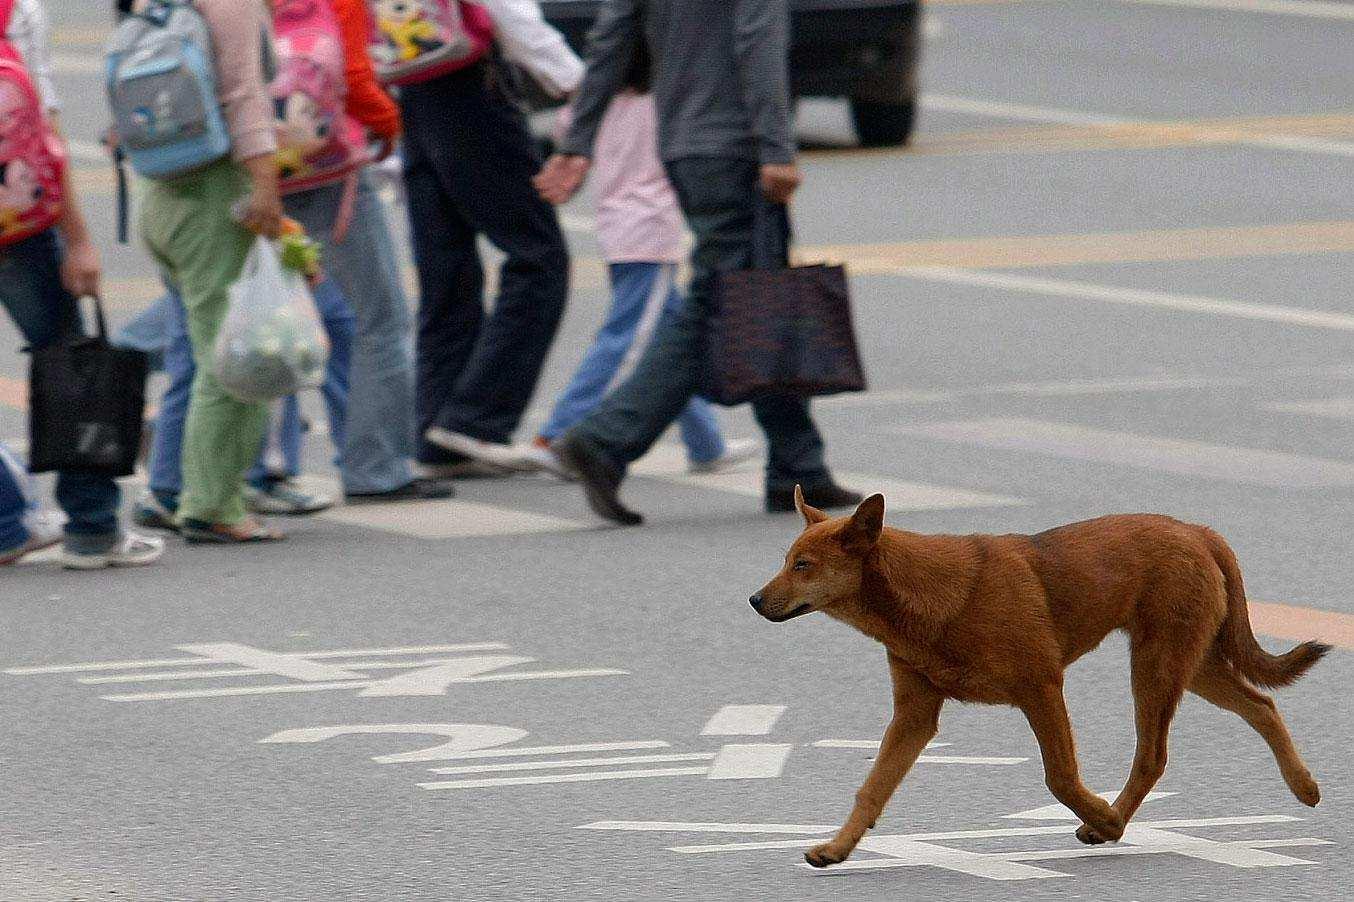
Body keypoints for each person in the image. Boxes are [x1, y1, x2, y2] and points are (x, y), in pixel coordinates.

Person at [530, 0, 860, 525]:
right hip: (737, 145)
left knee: (764, 301)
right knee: (719, 307)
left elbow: (610, 39)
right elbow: (759, 42)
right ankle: (605, 440)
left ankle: (798, 467)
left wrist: (579, 141)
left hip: (684, 144)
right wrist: (776, 146)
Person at [462, 37, 757, 478]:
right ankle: (556, 436)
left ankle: (705, 442)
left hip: (616, 226)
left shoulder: (594, 101)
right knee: (625, 342)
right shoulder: (669, 101)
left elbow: (566, 131)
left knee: (672, 340)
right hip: (651, 230)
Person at [0, 0, 163, 568]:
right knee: (75, 366)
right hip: (18, 223)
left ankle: (3, 522)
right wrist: (78, 238)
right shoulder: (16, 11)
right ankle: (91, 529)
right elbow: (45, 127)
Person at [403, 0, 583, 476]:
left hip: (413, 84)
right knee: (539, 257)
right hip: (470, 90)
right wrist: (577, 83)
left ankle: (439, 435)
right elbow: (508, 10)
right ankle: (475, 419)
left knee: (447, 270)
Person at [135, 0, 289, 543]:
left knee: (199, 348)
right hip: (212, 194)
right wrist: (268, 190)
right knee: (231, 354)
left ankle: (196, 487)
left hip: (161, 191)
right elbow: (244, 100)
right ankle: (211, 504)